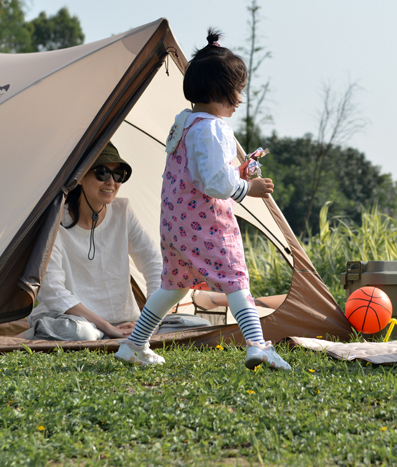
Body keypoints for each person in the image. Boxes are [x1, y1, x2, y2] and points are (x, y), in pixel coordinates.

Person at [115, 28, 291, 370]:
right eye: (237, 90)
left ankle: (135, 344)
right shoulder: (213, 128)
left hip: (177, 223)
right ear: (219, 90)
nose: (240, 98)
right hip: (206, 222)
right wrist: (246, 189)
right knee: (235, 279)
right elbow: (211, 181)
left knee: (174, 286)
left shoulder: (185, 123)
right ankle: (257, 344)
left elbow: (198, 173)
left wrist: (235, 173)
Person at [27, 142, 162, 341]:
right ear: (80, 177)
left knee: (194, 324)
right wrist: (106, 327)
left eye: (119, 175)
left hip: (123, 320)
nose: (111, 182)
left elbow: (154, 264)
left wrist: (150, 321)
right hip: (75, 320)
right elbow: (52, 290)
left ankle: (106, 333)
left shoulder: (123, 210)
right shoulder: (54, 220)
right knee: (84, 333)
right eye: (102, 173)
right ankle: (46, 328)